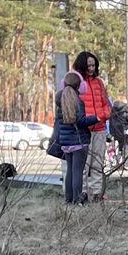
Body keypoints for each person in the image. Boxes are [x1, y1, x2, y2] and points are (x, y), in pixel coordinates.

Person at [73, 52, 111, 201]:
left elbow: (106, 103)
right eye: (88, 65)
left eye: (93, 65)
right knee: (84, 164)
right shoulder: (77, 82)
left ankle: (97, 193)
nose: (91, 68)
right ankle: (82, 193)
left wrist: (104, 114)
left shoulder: (99, 82)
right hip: (84, 130)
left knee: (98, 163)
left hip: (100, 128)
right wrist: (86, 119)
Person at [53, 71, 91, 204]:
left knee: (70, 171)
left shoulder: (60, 102)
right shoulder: (78, 102)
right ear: (79, 87)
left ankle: (68, 199)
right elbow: (81, 121)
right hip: (79, 142)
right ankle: (77, 200)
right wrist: (95, 118)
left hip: (65, 143)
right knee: (78, 172)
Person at [109, 98, 128, 174]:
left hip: (114, 130)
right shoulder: (125, 108)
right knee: (125, 147)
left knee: (116, 148)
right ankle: (125, 163)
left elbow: (110, 119)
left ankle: (115, 163)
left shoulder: (112, 108)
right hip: (123, 130)